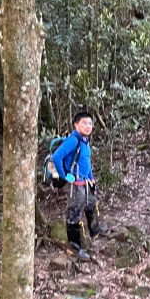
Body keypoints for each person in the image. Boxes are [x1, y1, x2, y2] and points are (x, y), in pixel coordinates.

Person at [52, 111, 102, 261]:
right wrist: (65, 176)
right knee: (74, 213)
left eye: (90, 123)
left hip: (85, 182)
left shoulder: (85, 141)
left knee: (91, 203)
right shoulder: (73, 140)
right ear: (76, 125)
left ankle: (95, 231)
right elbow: (57, 156)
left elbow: (86, 163)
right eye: (84, 123)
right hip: (74, 185)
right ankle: (74, 247)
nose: (88, 126)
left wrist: (91, 178)